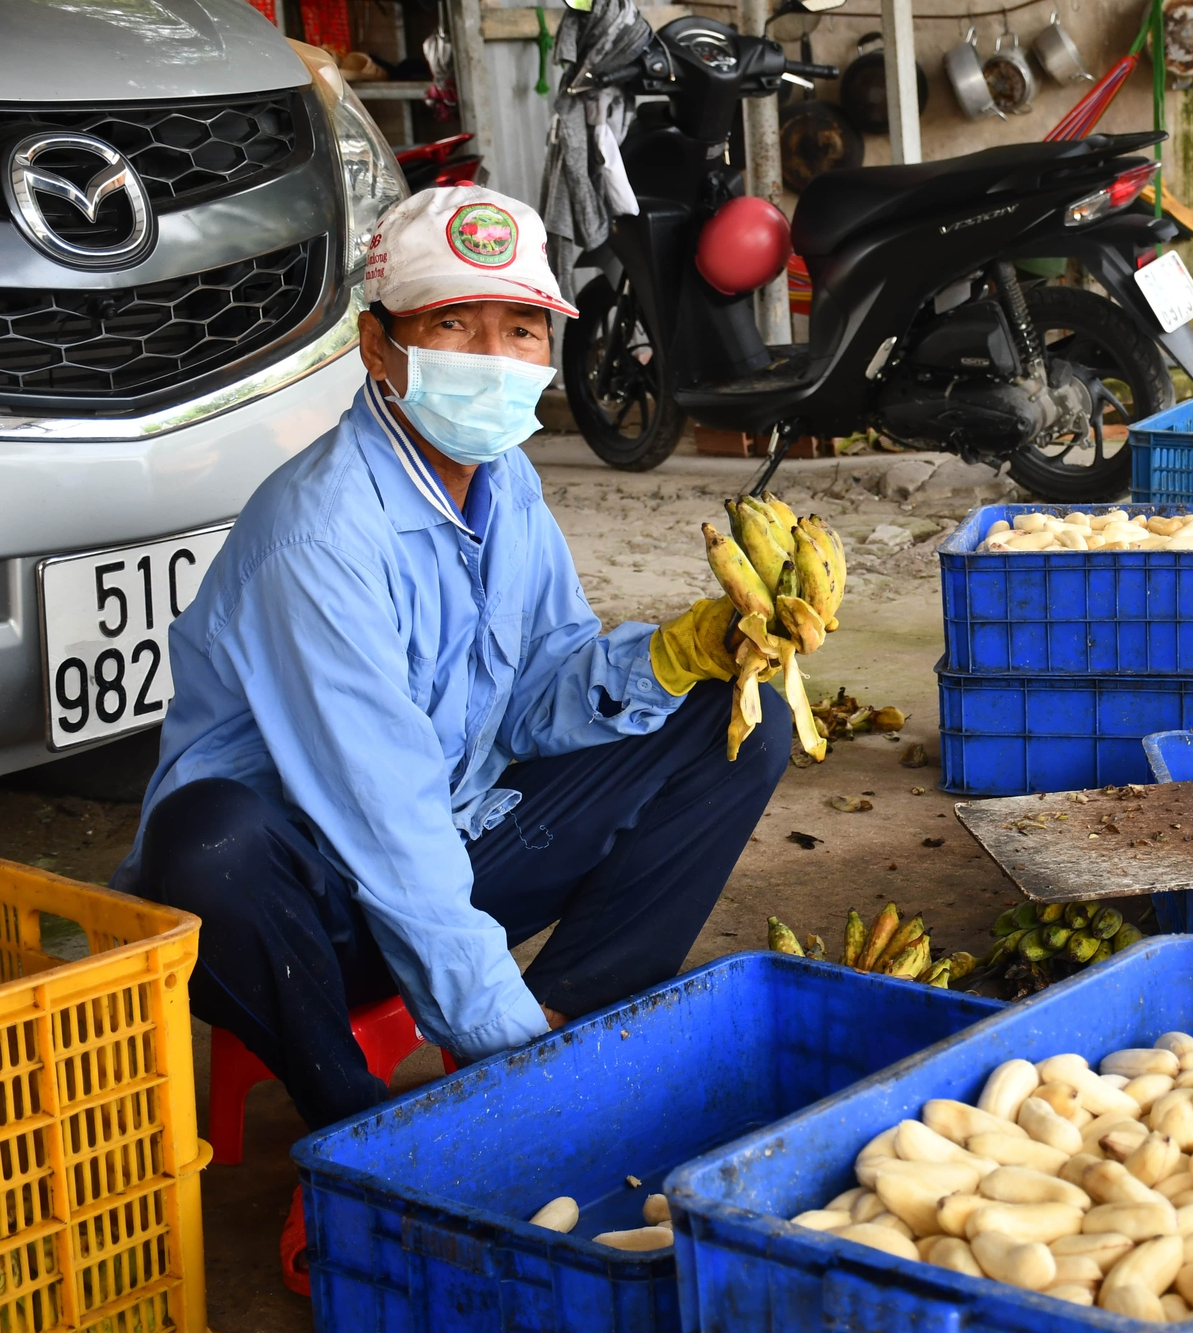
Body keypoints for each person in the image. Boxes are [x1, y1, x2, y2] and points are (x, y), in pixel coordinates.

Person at [110, 187, 792, 1290]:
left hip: (456, 829)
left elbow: (532, 697)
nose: (493, 356)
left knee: (732, 724)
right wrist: (493, 1036)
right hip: (302, 906)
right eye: (450, 325)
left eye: (519, 328)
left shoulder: (505, 481)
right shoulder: (321, 535)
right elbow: (384, 828)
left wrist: (660, 661)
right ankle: (359, 1139)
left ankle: (563, 1034)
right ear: (379, 347)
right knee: (208, 844)